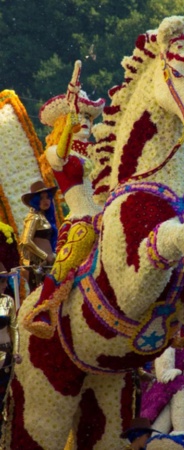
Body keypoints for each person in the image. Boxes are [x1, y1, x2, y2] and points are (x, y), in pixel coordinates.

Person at [23, 71, 105, 339]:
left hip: (104, 214)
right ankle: (42, 310)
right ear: (63, 123)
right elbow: (61, 156)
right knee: (66, 262)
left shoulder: (94, 154)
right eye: (80, 119)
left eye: (88, 120)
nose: (86, 124)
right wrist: (69, 129)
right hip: (82, 219)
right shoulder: (55, 153)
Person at [20, 180, 58, 291]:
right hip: (38, 267)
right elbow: (26, 241)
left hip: (48, 265)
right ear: (35, 201)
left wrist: (53, 256)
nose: (45, 201)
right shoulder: (34, 217)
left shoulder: (45, 217)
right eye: (41, 198)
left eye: (47, 197)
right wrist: (45, 256)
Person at [0, 264, 21, 426]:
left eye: (6, 282)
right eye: (2, 282)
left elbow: (14, 328)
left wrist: (16, 351)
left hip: (5, 356)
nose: (6, 285)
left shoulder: (8, 301)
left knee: (4, 396)